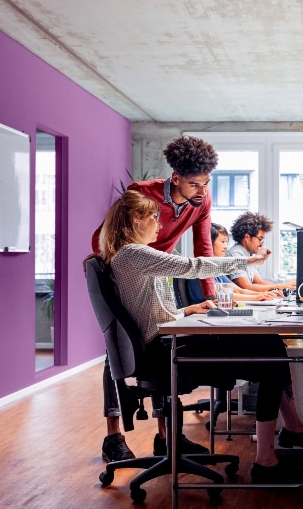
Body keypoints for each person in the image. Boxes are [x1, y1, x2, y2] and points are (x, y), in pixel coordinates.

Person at [100, 190, 303, 482]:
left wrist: (189, 310)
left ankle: (283, 440)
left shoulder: (126, 257)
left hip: (162, 347)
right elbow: (191, 266)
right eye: (153, 218)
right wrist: (245, 262)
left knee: (269, 346)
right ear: (135, 219)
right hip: (165, 352)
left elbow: (150, 317)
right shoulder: (134, 253)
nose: (159, 225)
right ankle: (268, 458)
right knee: (270, 350)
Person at [88, 136, 220, 463]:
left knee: (163, 349)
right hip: (127, 268)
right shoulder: (141, 192)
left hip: (162, 271)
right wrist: (116, 279)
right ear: (175, 178)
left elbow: (203, 249)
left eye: (205, 183)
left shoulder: (201, 200)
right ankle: (113, 436)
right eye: (194, 183)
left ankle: (168, 441)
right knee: (119, 348)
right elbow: (106, 235)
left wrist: (212, 298)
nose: (201, 191)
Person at [186, 223, 284, 304]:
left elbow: (238, 290)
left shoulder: (217, 270)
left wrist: (264, 294)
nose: (225, 247)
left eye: (226, 242)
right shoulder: (200, 269)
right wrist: (258, 297)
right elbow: (218, 295)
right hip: (202, 320)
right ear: (208, 243)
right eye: (223, 242)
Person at [226, 212, 296, 292]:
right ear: (247, 237)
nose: (262, 243)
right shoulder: (236, 254)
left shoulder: (248, 255)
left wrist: (286, 284)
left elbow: (259, 282)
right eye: (260, 239)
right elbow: (246, 287)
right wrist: (281, 286)